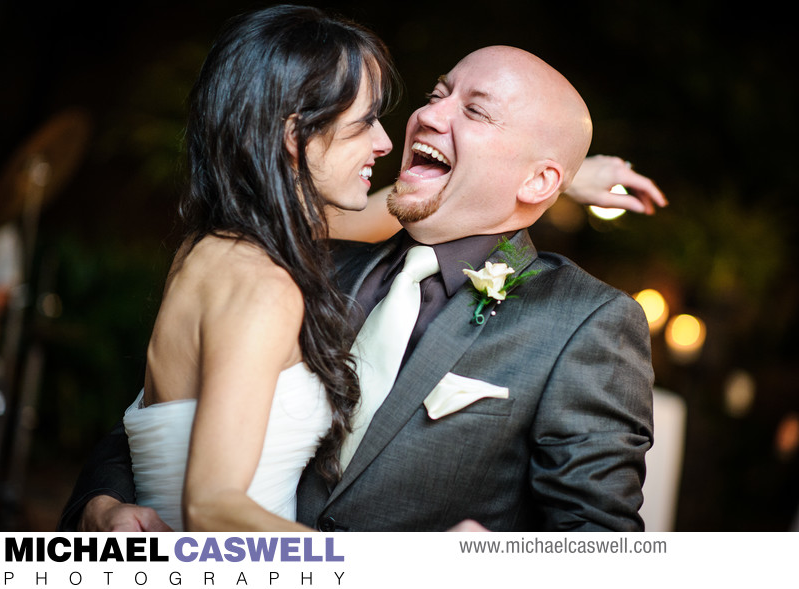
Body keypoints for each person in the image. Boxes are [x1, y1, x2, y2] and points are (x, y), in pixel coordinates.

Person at [60, 27, 660, 532]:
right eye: (435, 94)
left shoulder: (585, 323)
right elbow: (160, 423)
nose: (421, 117)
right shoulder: (300, 265)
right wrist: (102, 505)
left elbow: (597, 546)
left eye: (474, 110)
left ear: (538, 182)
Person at [90, 5, 401, 533]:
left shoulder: (218, 244)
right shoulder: (264, 285)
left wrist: (547, 172)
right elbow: (212, 509)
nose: (385, 142)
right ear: (293, 135)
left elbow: (384, 215)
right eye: (364, 122)